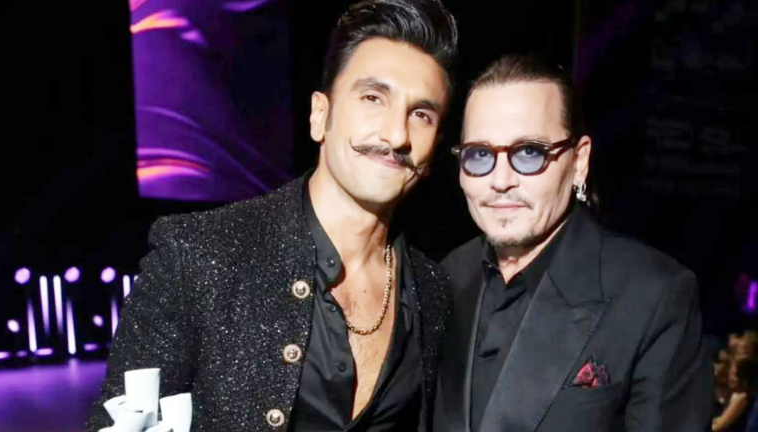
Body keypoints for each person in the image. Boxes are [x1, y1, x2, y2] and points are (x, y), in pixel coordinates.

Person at [87, 1, 458, 431]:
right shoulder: (198, 256)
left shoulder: (433, 290)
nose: (396, 135)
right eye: (373, 98)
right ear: (320, 115)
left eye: (421, 114)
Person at [435, 54, 713, 432]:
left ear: (578, 162)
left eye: (529, 153)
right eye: (480, 155)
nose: (500, 180)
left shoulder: (653, 295)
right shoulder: (445, 278)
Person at [713, 356, 758, 431]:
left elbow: (717, 426)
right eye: (730, 373)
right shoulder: (730, 394)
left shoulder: (741, 397)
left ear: (744, 379)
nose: (731, 378)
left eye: (735, 375)